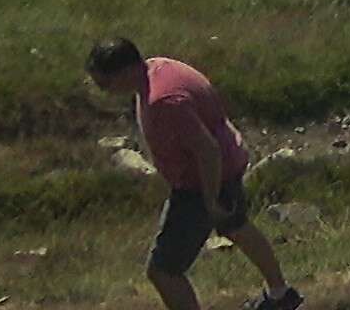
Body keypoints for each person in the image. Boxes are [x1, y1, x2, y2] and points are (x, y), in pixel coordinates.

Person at [86, 37, 299, 310]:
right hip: (227, 163)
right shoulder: (160, 66)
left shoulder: (164, 101)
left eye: (105, 83)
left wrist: (209, 199)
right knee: (235, 225)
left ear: (126, 72)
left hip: (200, 184)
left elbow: (207, 150)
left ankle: (280, 295)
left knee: (164, 271)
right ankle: (281, 294)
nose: (102, 91)